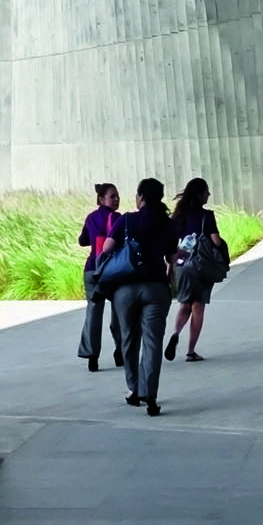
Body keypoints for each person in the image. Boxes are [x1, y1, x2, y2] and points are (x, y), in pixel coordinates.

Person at [107, 175, 179, 416]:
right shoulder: (168, 225)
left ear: (140, 197)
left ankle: (134, 389)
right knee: (153, 342)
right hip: (157, 288)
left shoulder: (126, 220)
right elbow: (172, 259)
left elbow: (107, 249)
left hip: (125, 289)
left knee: (128, 339)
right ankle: (151, 395)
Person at [164, 176, 227, 363]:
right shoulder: (206, 216)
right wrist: (223, 249)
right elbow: (215, 240)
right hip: (200, 267)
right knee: (198, 307)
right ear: (199, 194)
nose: (208, 194)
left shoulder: (178, 216)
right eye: (206, 191)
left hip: (181, 266)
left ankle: (175, 333)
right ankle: (191, 351)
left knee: (184, 305)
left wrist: (170, 267)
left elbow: (170, 245)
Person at [76, 182, 125, 369]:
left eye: (117, 196)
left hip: (91, 270)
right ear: (102, 199)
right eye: (113, 196)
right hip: (112, 271)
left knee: (93, 312)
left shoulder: (91, 217)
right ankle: (120, 351)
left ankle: (92, 356)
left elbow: (82, 241)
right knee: (119, 310)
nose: (116, 199)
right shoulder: (118, 218)